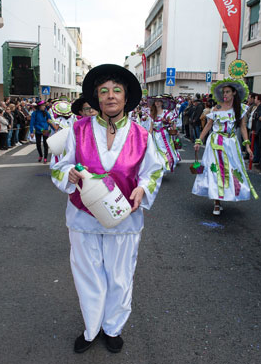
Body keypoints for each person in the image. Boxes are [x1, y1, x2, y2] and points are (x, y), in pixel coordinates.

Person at [51, 64, 163, 354]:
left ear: (126, 98)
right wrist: (69, 175)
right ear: (97, 99)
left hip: (125, 218)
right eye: (104, 92)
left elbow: (152, 171)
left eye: (116, 91)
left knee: (120, 275)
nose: (110, 96)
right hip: (83, 217)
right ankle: (92, 328)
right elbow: (59, 165)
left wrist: (143, 188)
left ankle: (113, 327)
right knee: (87, 274)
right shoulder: (76, 130)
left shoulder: (142, 135)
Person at [192, 79, 258, 215]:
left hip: (231, 143)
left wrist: (247, 146)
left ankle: (227, 194)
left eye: (228, 92)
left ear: (234, 93)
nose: (225, 95)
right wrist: (199, 140)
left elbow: (243, 127)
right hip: (216, 142)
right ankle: (216, 202)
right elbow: (208, 125)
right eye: (223, 92)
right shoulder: (217, 108)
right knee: (215, 171)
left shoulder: (240, 109)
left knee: (232, 169)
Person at [149, 95, 180, 173]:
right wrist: (149, 136)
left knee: (164, 151)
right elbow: (151, 126)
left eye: (159, 101)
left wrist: (167, 122)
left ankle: (165, 166)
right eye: (156, 101)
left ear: (162, 103)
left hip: (164, 136)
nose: (157, 103)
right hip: (155, 136)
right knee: (154, 151)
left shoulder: (167, 112)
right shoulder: (152, 113)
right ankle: (158, 168)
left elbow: (172, 123)